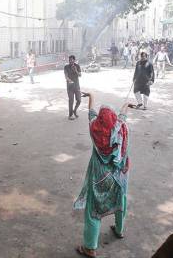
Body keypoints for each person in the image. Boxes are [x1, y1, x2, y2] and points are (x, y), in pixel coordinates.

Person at [74, 92, 130, 258]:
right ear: (113, 117)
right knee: (120, 200)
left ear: (99, 118)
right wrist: (127, 104)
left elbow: (90, 111)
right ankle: (119, 230)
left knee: (93, 211)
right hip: (118, 175)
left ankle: (90, 248)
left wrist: (90, 96)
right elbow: (123, 115)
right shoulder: (120, 128)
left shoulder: (94, 128)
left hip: (99, 178)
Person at [65, 55, 83, 120]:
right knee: (71, 100)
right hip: (70, 87)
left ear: (74, 60)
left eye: (72, 60)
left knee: (79, 100)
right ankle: (70, 115)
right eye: (70, 60)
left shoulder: (77, 66)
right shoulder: (66, 67)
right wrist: (69, 80)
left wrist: (76, 70)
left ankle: (75, 110)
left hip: (77, 86)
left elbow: (80, 75)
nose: (71, 61)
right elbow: (66, 76)